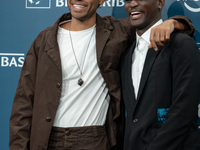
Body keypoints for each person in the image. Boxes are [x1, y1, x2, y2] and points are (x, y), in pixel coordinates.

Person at [9, 0, 195, 149]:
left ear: (102, 1)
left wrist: (174, 22)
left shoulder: (118, 31)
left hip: (95, 140)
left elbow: (150, 24)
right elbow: (24, 101)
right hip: (47, 138)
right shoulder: (45, 39)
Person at [120, 0, 200, 149]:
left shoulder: (182, 44)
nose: (132, 4)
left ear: (160, 3)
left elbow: (184, 111)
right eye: (128, 0)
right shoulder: (125, 56)